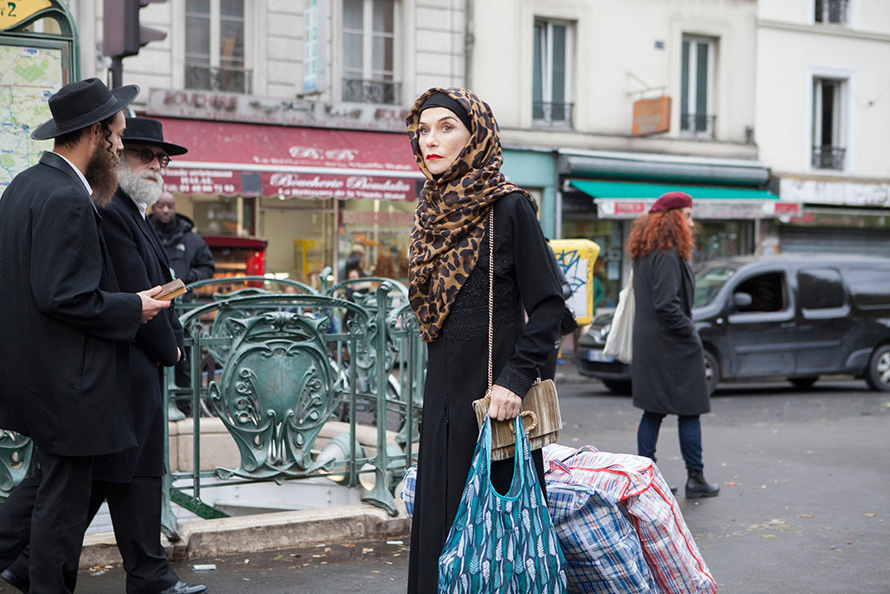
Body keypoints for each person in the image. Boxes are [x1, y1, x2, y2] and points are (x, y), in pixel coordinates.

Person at [0, 78, 171, 594]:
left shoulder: (25, 185)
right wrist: (134, 306)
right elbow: (64, 295)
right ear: (96, 133)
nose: (120, 145)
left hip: (37, 377)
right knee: (59, 510)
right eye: (118, 135)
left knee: (48, 495)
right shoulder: (68, 197)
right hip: (67, 384)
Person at [405, 88, 564, 592]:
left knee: (496, 541)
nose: (431, 139)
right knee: (440, 530)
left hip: (494, 404)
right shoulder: (430, 213)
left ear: (476, 136)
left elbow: (549, 305)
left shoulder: (508, 206)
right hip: (442, 402)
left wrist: (515, 381)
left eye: (446, 127)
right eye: (423, 129)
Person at [626, 191, 720, 499]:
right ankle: (696, 477)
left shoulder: (647, 251)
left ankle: (646, 479)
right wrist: (690, 333)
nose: (692, 223)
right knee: (689, 410)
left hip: (653, 343)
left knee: (653, 411)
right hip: (672, 344)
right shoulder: (666, 253)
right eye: (688, 216)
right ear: (673, 218)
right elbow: (667, 304)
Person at [149, 191, 215, 406]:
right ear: (153, 207)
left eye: (169, 206)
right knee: (152, 357)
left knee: (183, 357)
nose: (166, 210)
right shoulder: (144, 231)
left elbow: (207, 268)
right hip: (152, 307)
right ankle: (157, 406)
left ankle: (185, 407)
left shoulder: (192, 240)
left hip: (184, 310)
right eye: (160, 206)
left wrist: (185, 280)